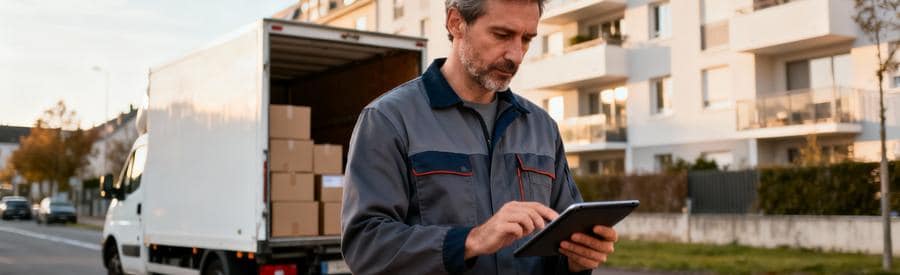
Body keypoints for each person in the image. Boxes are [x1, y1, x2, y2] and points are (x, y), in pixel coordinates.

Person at [341, 0, 617, 274]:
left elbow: (559, 240)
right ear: (455, 22)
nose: (516, 55)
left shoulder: (541, 127)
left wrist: (577, 259)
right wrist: (472, 240)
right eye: (502, 35)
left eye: (527, 39)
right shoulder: (389, 119)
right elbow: (365, 245)